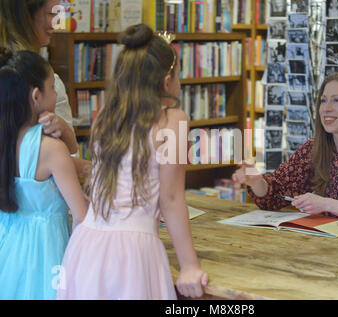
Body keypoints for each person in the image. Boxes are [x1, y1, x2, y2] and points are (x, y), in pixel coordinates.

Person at [57, 24, 208, 300]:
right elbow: (171, 199)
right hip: (131, 251)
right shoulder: (173, 120)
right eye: (178, 75)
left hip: (85, 244)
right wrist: (189, 265)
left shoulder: (106, 116)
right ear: (166, 81)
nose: (180, 82)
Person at [233, 72, 338, 227]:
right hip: (323, 244)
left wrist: (326, 204)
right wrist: (257, 181)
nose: (326, 108)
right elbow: (275, 197)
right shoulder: (312, 149)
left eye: (336, 100)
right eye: (323, 100)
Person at [0, 48, 88, 299]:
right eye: (53, 86)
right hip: (47, 253)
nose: (57, 92)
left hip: (9, 249)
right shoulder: (51, 149)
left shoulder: (6, 139)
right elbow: (81, 215)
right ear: (36, 96)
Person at [0, 0, 91, 177]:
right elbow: (67, 157)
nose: (57, 22)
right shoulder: (45, 85)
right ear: (25, 17)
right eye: (51, 14)